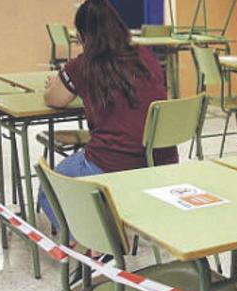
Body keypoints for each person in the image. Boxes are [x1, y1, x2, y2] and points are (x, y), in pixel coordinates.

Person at [39, 0, 178, 227]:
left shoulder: (83, 65)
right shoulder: (145, 55)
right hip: (161, 160)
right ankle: (106, 228)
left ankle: (88, 242)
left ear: (83, 35)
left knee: (48, 187)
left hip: (114, 161)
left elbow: (55, 100)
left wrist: (54, 82)